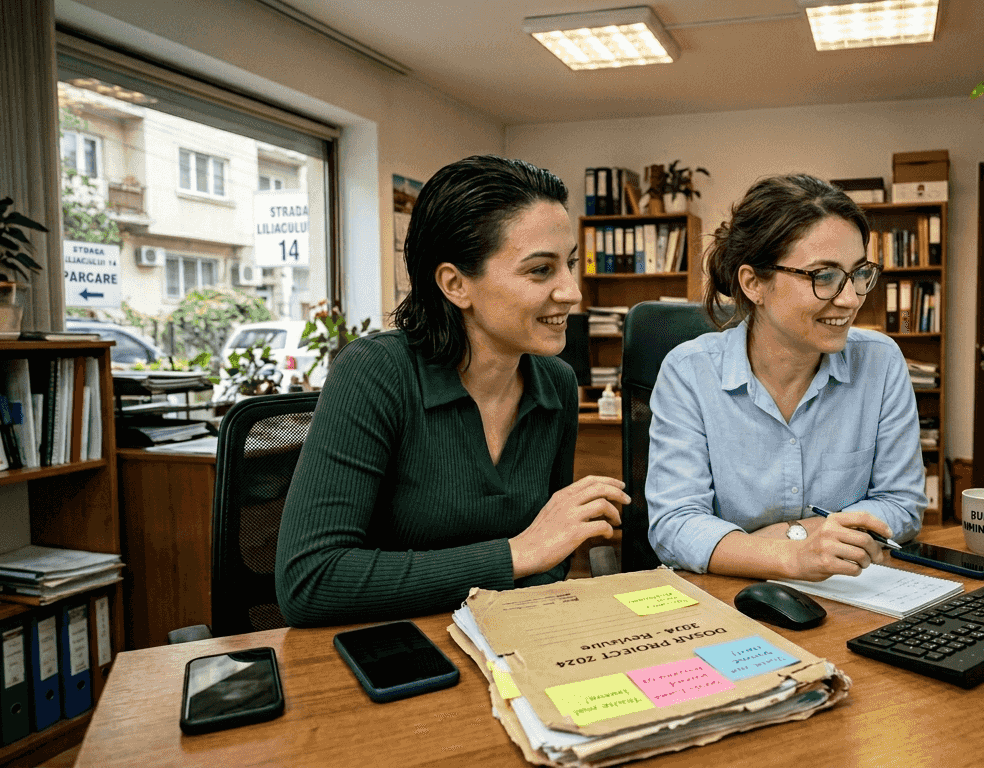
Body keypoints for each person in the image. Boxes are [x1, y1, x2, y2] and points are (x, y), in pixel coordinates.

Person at [276, 155, 629, 627]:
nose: (572, 291)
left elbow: (550, 560)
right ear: (455, 284)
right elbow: (310, 581)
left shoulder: (557, 384)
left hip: (508, 643)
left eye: (568, 265)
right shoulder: (376, 372)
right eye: (541, 270)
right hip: (396, 653)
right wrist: (514, 555)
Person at [646, 174, 927, 582]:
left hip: (846, 592)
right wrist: (793, 554)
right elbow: (675, 524)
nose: (849, 299)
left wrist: (782, 537)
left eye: (859, 273)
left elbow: (901, 504)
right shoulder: (689, 372)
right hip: (729, 597)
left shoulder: (880, 363)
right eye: (823, 276)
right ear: (754, 283)